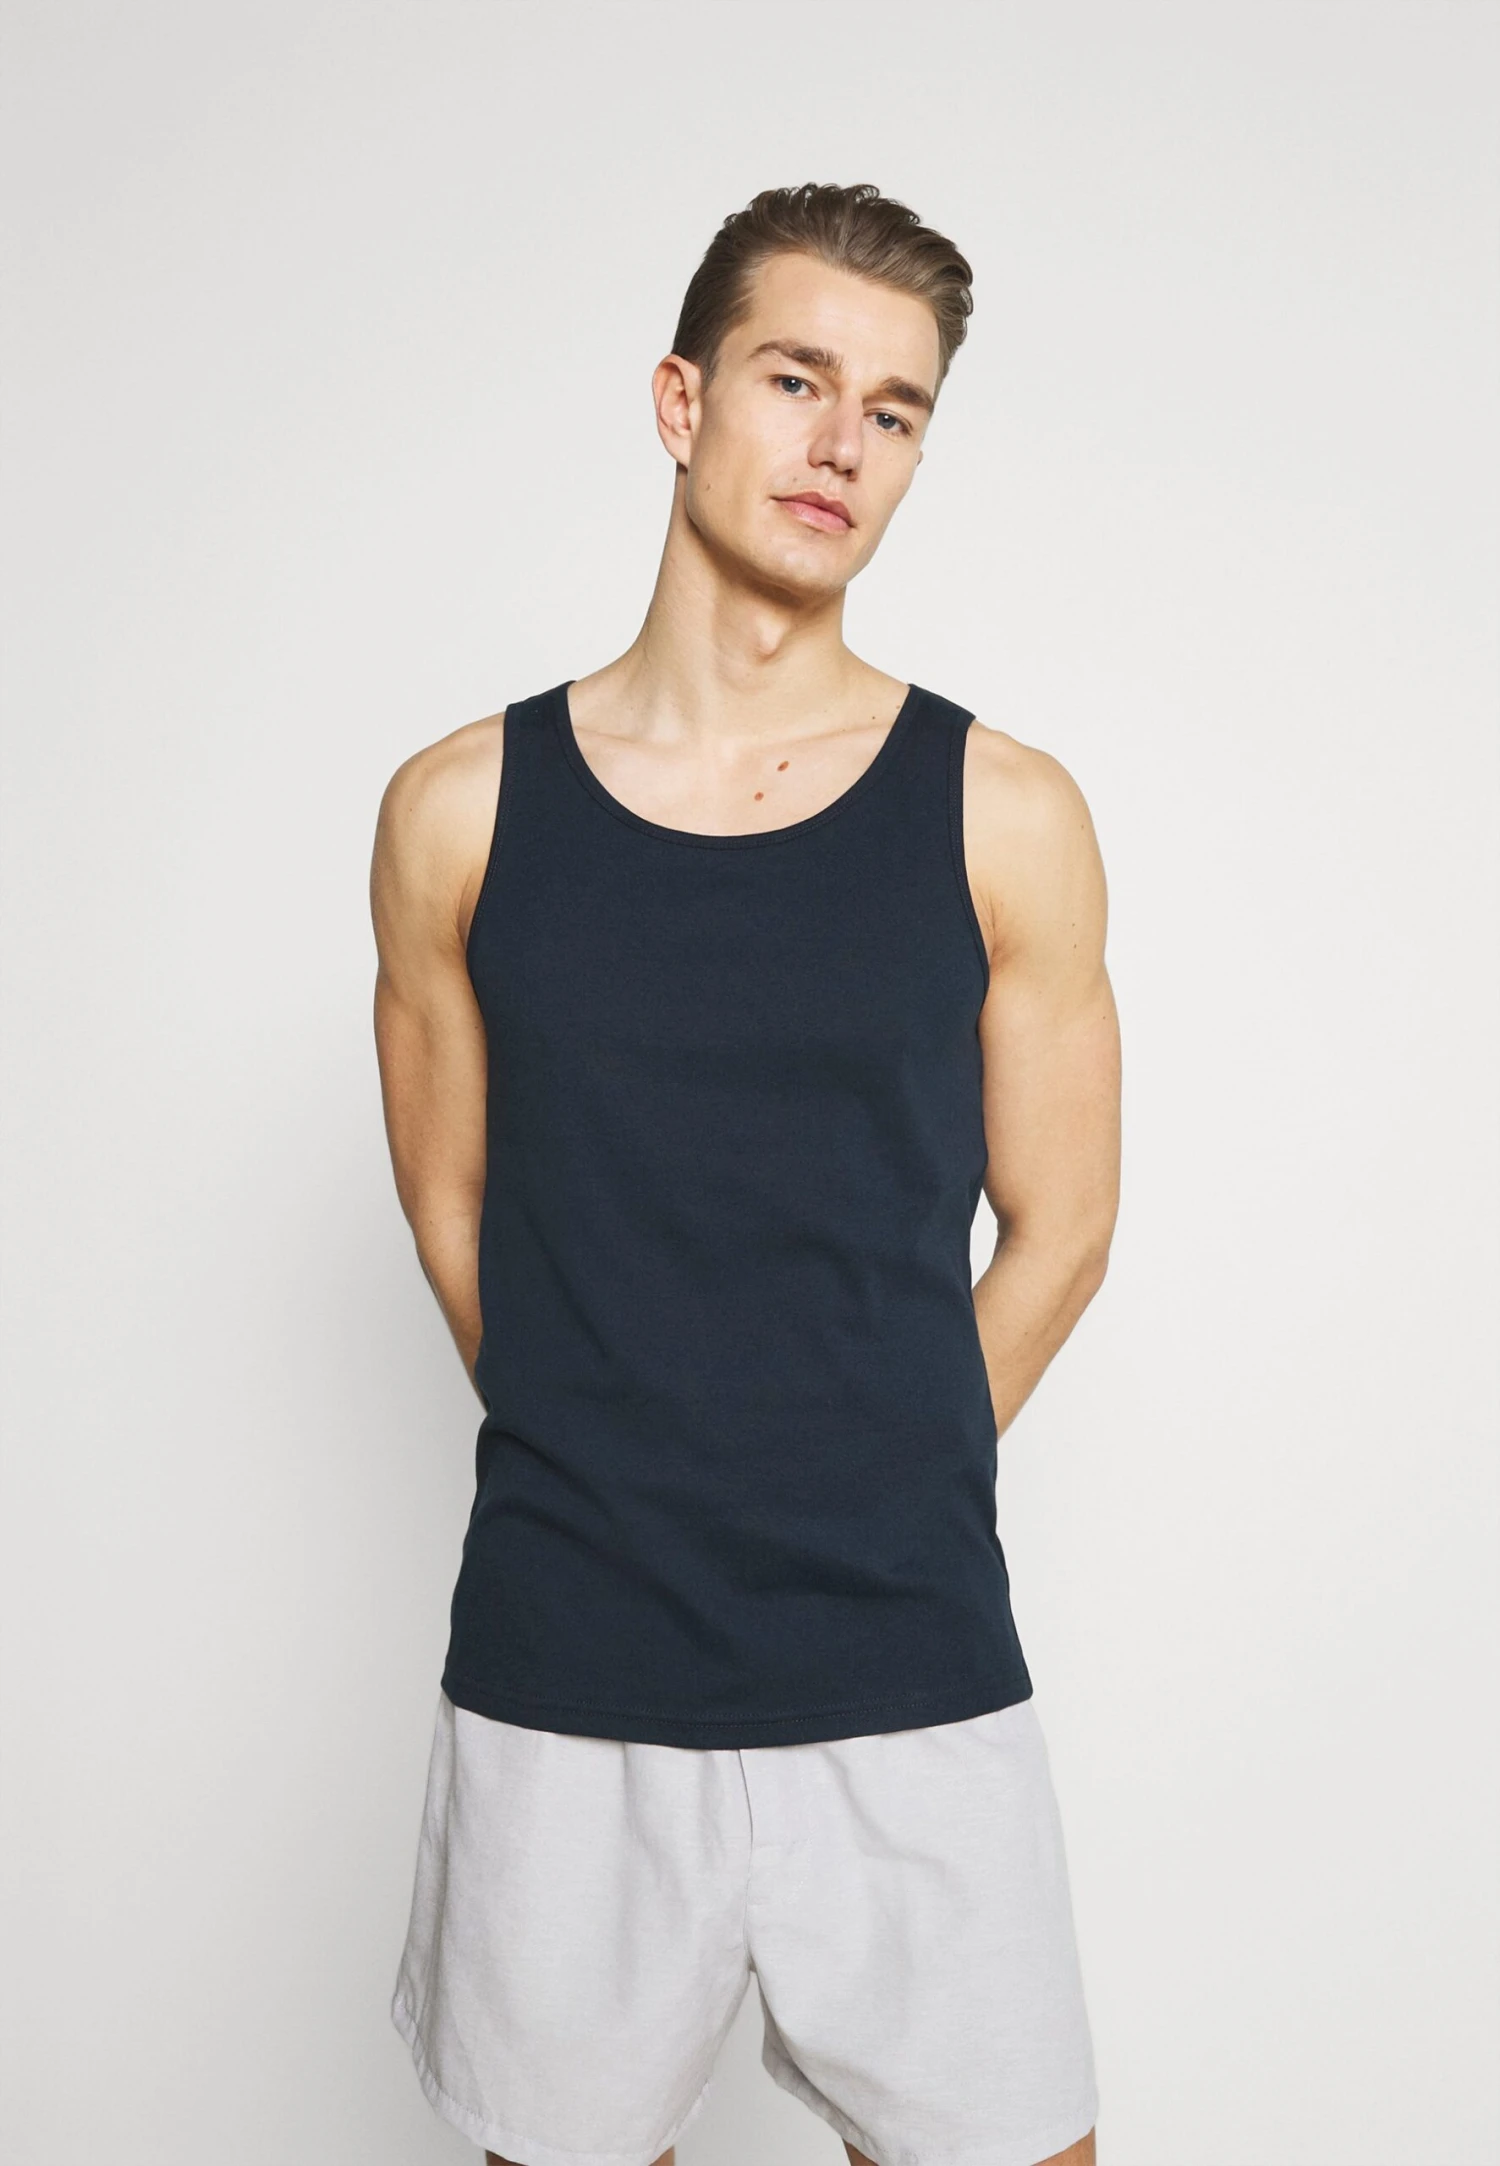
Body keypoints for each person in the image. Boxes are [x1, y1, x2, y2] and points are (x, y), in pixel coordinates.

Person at [371, 181, 1120, 2166]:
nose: (842, 443)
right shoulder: (458, 812)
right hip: (567, 1665)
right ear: (682, 401)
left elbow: (1063, 1228)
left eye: (897, 409)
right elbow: (454, 1208)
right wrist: (619, 1446)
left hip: (907, 1654)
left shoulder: (1007, 812)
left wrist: (875, 1462)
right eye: (798, 379)